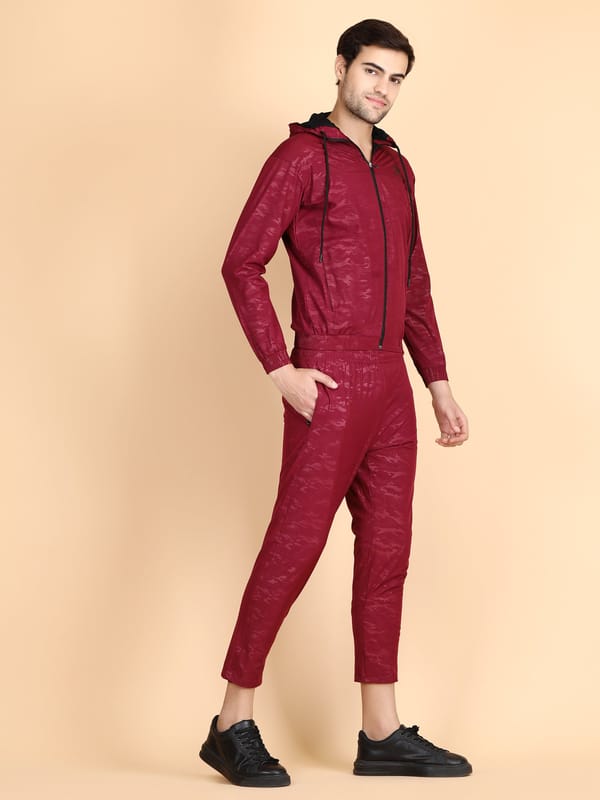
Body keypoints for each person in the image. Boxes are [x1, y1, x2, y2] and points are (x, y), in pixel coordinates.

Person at [199, 18, 472, 788]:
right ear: (342, 68)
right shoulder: (299, 157)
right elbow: (241, 262)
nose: (382, 88)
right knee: (294, 545)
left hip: (392, 392)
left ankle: (381, 731)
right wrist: (280, 368)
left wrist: (438, 382)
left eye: (396, 78)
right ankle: (231, 721)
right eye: (372, 70)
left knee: (387, 553)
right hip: (329, 379)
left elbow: (414, 281)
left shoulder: (396, 168)